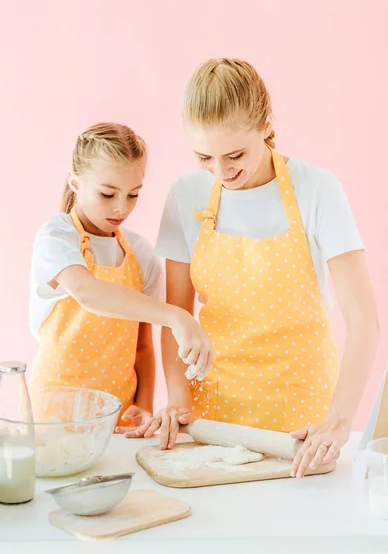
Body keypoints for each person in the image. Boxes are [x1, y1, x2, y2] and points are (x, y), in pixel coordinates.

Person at [146, 58, 379, 478]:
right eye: (204, 157)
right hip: (213, 412)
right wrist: (178, 400)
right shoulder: (185, 194)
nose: (222, 171)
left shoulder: (317, 189)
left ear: (266, 123)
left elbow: (363, 319)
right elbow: (176, 315)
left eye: (235, 154)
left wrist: (340, 419)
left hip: (301, 414)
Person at [29, 122, 213, 430]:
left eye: (133, 195)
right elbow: (89, 293)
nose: (121, 207)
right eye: (107, 193)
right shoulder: (56, 237)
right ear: (75, 182)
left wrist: (143, 406)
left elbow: (142, 348)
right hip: (53, 418)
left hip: (117, 419)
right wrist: (177, 317)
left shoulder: (140, 254)